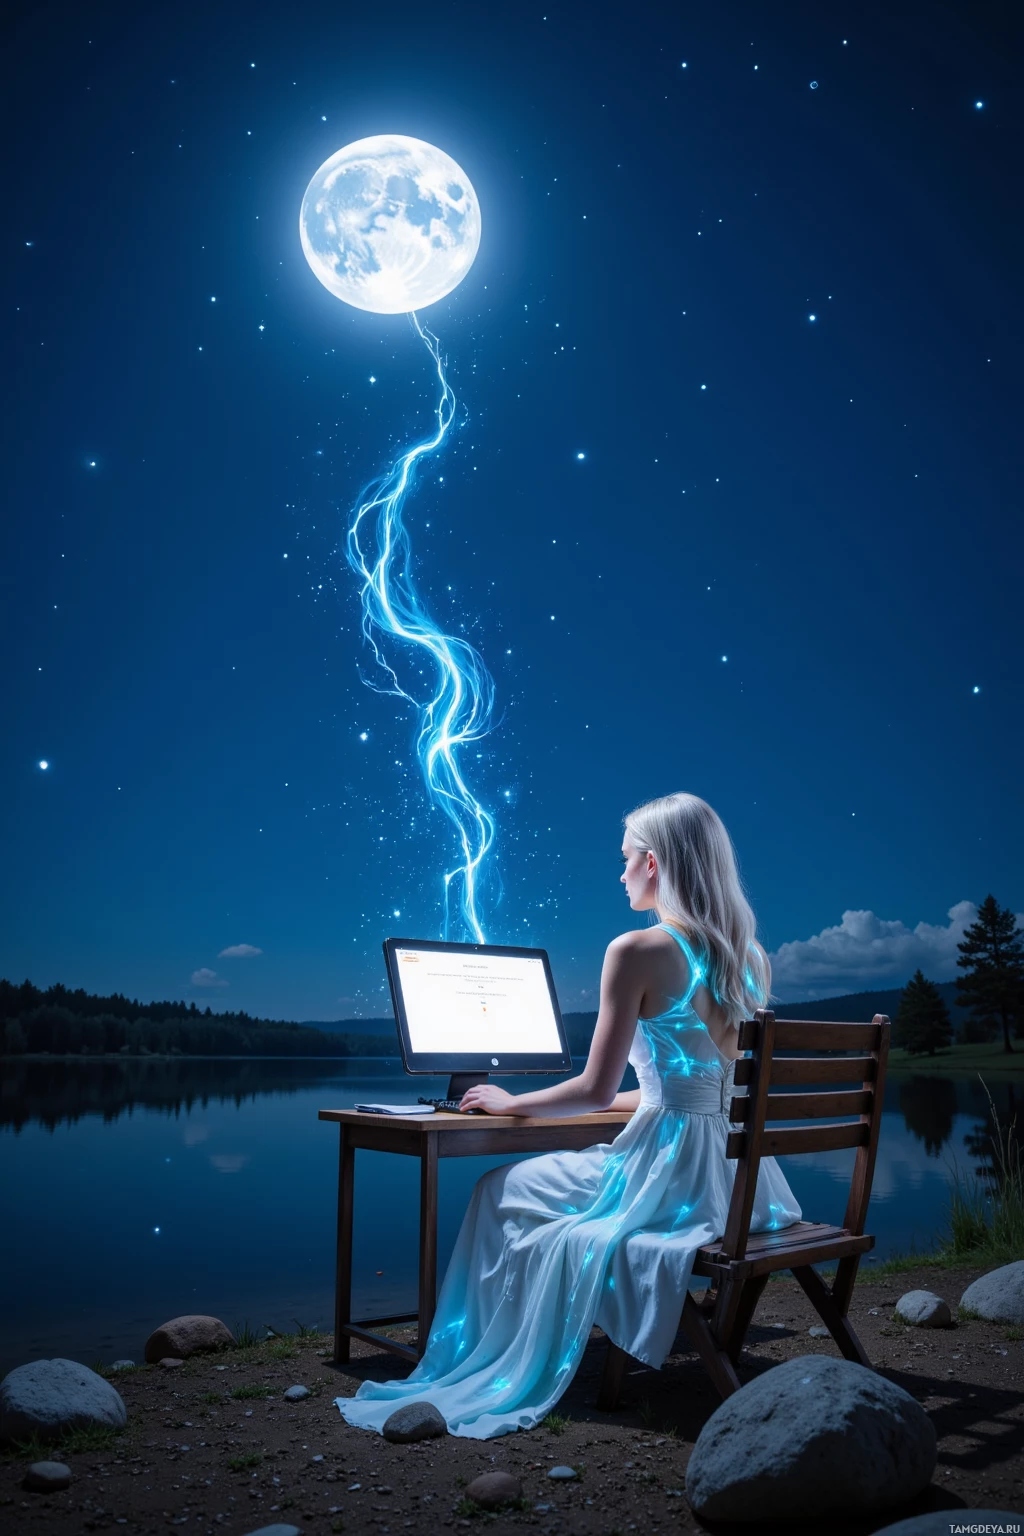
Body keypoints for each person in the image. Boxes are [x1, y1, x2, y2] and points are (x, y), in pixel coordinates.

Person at [335, 791, 802, 1440]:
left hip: (670, 1181)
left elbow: (590, 1088)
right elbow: (685, 1088)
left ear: (654, 863)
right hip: (737, 1186)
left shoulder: (636, 950)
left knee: (498, 1188)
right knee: (546, 1188)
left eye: (625, 860)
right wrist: (612, 1102)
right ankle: (534, 1335)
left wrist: (511, 1102)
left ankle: (489, 1353)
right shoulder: (744, 956)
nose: (618, 875)